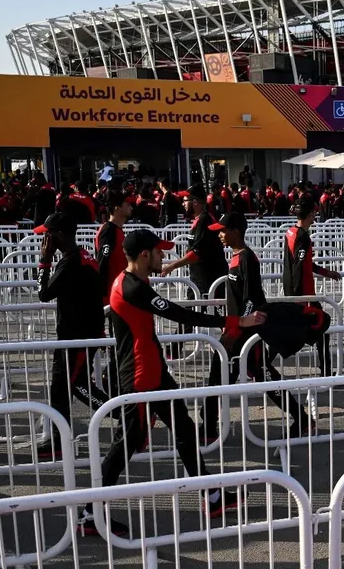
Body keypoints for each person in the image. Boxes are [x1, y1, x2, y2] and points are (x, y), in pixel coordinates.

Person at [81, 229, 265, 537]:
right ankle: (89, 512)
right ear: (144, 255)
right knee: (126, 443)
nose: (163, 256)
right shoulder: (131, 287)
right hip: (140, 377)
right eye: (158, 252)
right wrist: (235, 321)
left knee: (184, 428)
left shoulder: (134, 282)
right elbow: (179, 314)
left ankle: (212, 495)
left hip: (154, 372)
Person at [201, 212, 327, 441]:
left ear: (235, 232)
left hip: (245, 333)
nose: (219, 235)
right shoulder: (237, 257)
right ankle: (208, 425)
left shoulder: (247, 258)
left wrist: (237, 328)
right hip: (237, 330)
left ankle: (209, 427)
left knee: (252, 376)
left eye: (223, 231)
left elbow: (251, 300)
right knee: (228, 376)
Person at [34, 213, 112, 457]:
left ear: (58, 234)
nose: (44, 240)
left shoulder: (71, 261)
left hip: (76, 336)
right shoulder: (84, 256)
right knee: (70, 386)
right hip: (81, 333)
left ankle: (127, 415)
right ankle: (60, 439)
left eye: (47, 234)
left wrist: (44, 261)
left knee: (70, 387)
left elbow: (44, 294)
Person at [283, 197, 341, 377]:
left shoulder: (291, 232)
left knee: (305, 332)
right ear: (309, 215)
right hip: (304, 295)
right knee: (320, 328)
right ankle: (326, 372)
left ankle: (326, 370)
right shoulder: (302, 237)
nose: (315, 215)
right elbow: (298, 268)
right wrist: (299, 299)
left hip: (297, 293)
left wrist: (326, 272)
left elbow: (303, 264)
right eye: (314, 213)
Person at [163, 184, 228, 298]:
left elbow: (196, 253)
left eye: (185, 201)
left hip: (207, 281)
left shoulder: (205, 220)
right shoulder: (200, 219)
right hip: (199, 279)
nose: (183, 204)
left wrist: (172, 266)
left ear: (195, 202)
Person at [95, 191, 133, 303]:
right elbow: (103, 261)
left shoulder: (116, 229)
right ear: (117, 208)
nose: (131, 207)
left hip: (119, 289)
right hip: (110, 293)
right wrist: (102, 293)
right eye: (127, 204)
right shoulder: (108, 230)